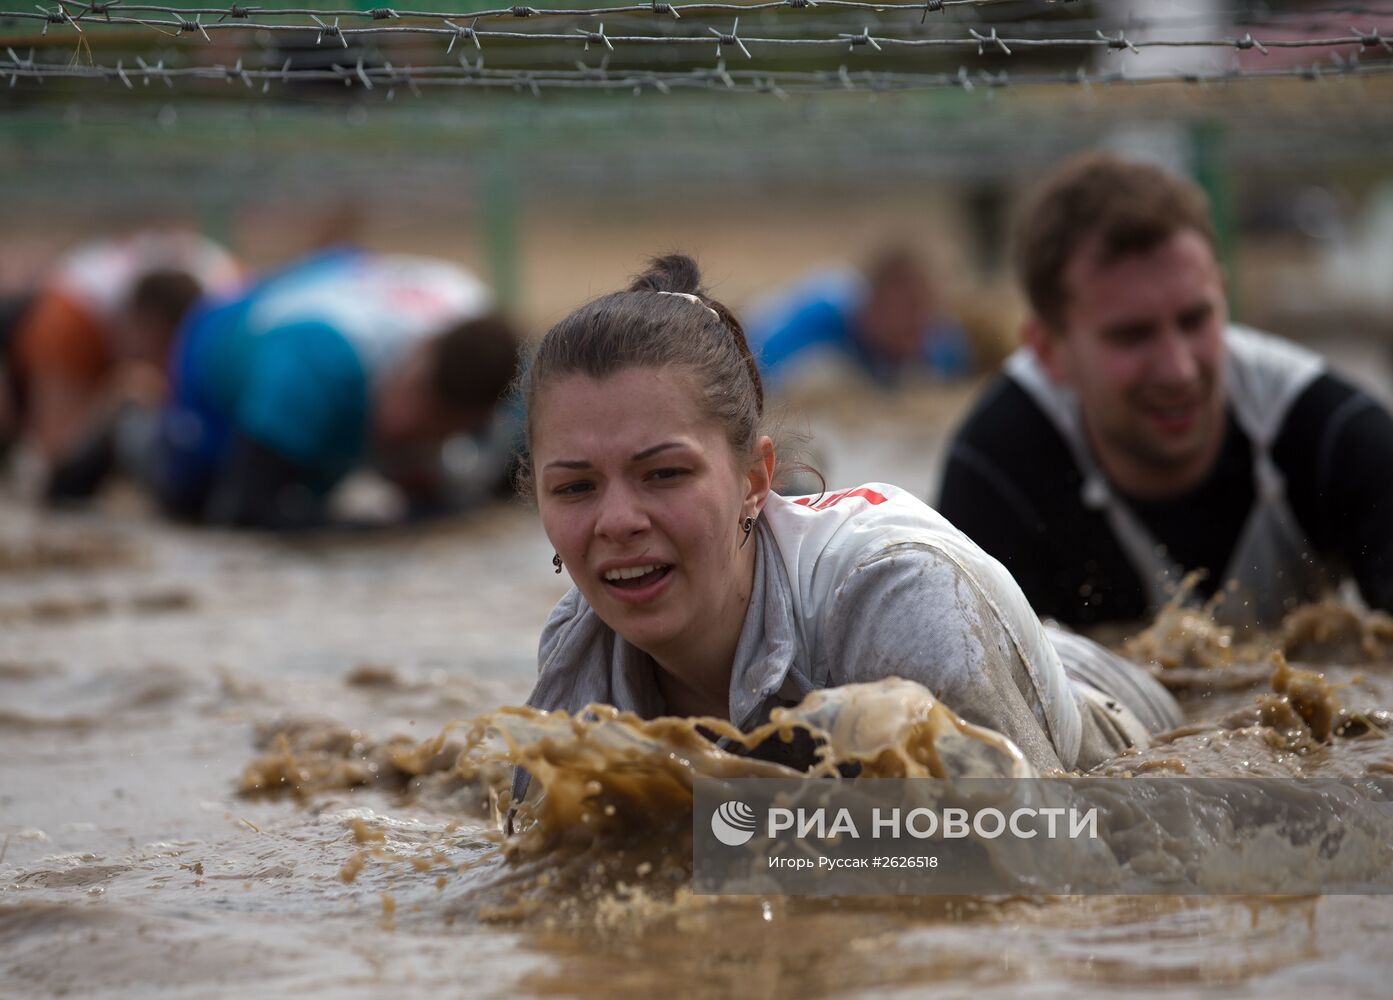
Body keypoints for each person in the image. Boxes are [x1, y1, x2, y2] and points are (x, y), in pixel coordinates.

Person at [510, 254, 1181, 808]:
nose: (618, 522)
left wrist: (745, 855)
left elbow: (1045, 870)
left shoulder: (902, 599)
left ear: (752, 479)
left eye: (662, 474)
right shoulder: (577, 659)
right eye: (574, 488)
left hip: (1125, 722)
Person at [937, 154, 1393, 631]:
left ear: (1222, 293)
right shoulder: (995, 473)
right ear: (1049, 352)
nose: (1178, 370)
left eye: (1196, 319)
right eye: (1132, 335)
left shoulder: (1334, 433)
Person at [152, 247, 523, 530]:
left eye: (434, 427)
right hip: (217, 343)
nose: (403, 423)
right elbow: (242, 510)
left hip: (344, 290)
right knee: (189, 499)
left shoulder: (504, 371)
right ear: (422, 350)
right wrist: (368, 528)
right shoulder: (317, 359)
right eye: (412, 391)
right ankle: (127, 425)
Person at [5, 231, 242, 500]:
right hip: (41, 318)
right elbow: (54, 453)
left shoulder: (230, 303)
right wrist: (109, 402)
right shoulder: (70, 320)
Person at [746, 246, 972, 390]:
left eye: (925, 311)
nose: (917, 325)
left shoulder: (935, 340)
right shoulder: (824, 317)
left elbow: (958, 364)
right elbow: (757, 364)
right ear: (876, 304)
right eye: (908, 311)